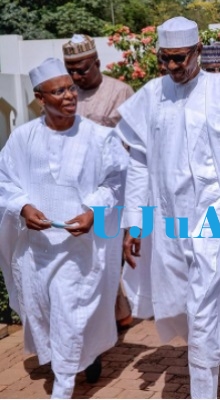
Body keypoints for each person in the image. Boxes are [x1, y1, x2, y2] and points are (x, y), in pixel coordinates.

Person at [115, 17, 220, 398]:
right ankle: (208, 366)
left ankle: (204, 390)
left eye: (179, 58)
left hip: (214, 221)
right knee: (188, 309)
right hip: (169, 225)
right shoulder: (151, 95)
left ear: (198, 51)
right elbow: (137, 165)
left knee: (202, 308)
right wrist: (135, 223)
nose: (172, 67)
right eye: (164, 59)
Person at [0, 58, 128, 398]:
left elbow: (116, 181)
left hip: (80, 249)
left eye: (71, 88)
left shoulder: (100, 138)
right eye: (59, 91)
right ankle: (82, 356)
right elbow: (5, 183)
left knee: (70, 309)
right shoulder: (22, 138)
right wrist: (23, 207)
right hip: (38, 249)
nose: (69, 95)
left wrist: (93, 211)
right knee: (48, 311)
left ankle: (64, 385)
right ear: (41, 99)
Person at [63, 33, 136, 330]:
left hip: (112, 186)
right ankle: (111, 315)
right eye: (72, 70)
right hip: (73, 188)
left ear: (97, 62)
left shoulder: (120, 92)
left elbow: (132, 144)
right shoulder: (66, 94)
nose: (77, 76)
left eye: (83, 68)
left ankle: (110, 316)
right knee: (85, 255)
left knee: (107, 253)